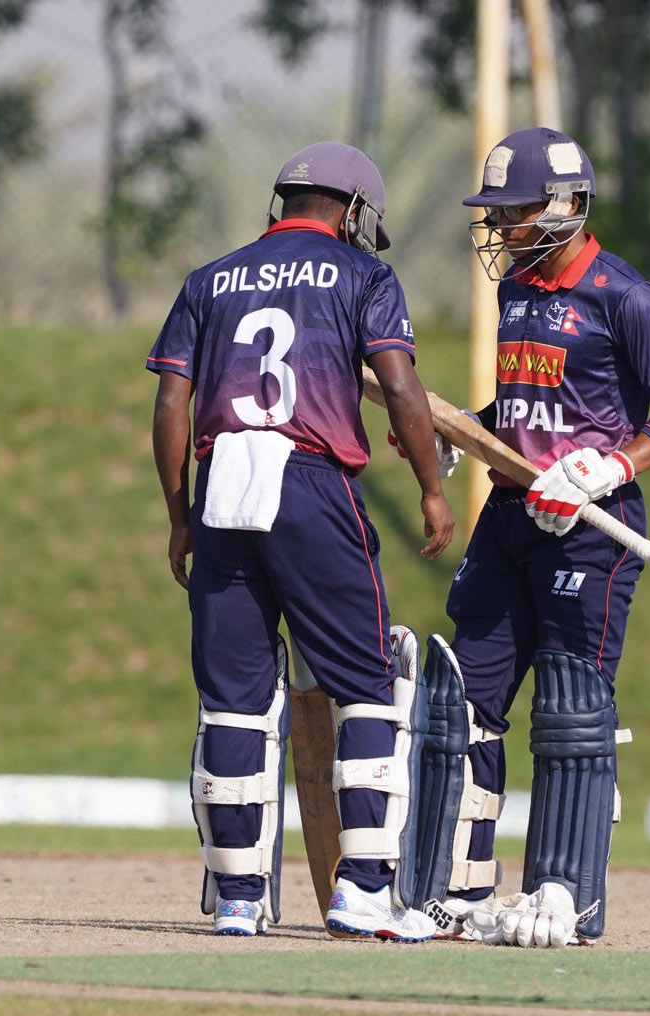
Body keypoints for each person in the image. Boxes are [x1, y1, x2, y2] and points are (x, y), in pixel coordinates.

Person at [147, 140, 456, 940]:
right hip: (311, 481)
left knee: (234, 703)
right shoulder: (365, 276)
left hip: (221, 483)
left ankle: (238, 898)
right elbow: (399, 386)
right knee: (371, 686)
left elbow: (172, 405)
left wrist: (180, 515)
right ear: (352, 210)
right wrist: (431, 487)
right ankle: (363, 890)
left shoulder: (209, 279)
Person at [424, 127, 650, 946]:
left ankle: (565, 891)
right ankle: (457, 889)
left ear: (566, 204)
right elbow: (526, 402)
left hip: (586, 529)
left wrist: (610, 467)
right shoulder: (517, 287)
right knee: (465, 703)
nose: (500, 226)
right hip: (510, 517)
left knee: (569, 708)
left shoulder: (627, 297)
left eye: (513, 210)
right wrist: (470, 429)